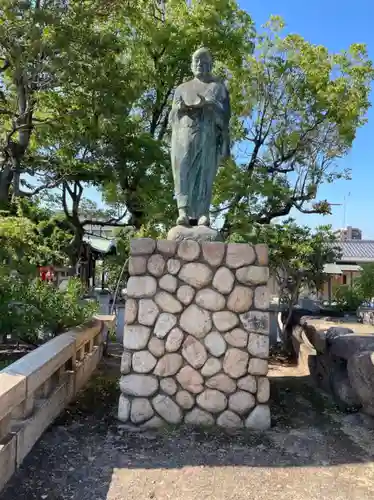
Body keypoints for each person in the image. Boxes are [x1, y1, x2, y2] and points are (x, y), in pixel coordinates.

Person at [169, 47, 230, 227]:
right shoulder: (181, 88)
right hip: (184, 138)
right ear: (191, 65)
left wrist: (210, 105)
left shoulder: (218, 88)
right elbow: (171, 117)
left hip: (207, 137)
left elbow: (226, 117)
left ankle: (203, 213)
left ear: (210, 66)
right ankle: (183, 212)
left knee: (205, 174)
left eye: (204, 63)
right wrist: (179, 109)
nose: (200, 66)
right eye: (196, 62)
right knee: (183, 172)